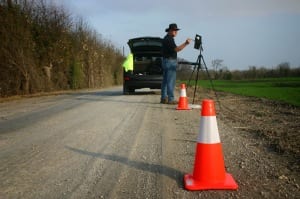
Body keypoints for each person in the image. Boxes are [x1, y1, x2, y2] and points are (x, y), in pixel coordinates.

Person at [161, 23, 191, 104]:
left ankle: (163, 98)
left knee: (165, 81)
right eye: (175, 30)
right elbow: (177, 49)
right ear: (170, 31)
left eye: (176, 30)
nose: (176, 32)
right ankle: (171, 99)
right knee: (170, 81)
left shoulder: (165, 38)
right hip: (170, 62)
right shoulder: (169, 39)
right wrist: (186, 43)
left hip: (165, 61)